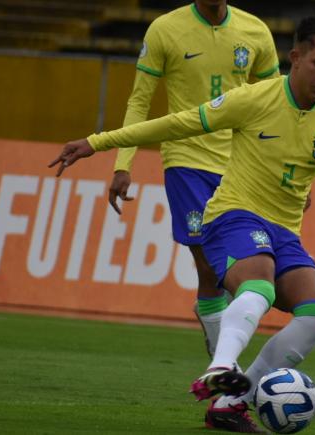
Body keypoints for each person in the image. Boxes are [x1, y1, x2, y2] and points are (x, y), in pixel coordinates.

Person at [50, 12, 315, 433]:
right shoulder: (255, 98)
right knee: (259, 284)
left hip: (284, 230)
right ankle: (220, 365)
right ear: (295, 57)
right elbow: (177, 122)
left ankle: (231, 401)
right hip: (232, 214)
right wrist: (97, 143)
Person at [109, 0, 279, 364]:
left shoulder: (256, 32)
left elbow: (276, 108)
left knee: (240, 270)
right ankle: (225, 366)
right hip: (187, 161)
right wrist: (123, 164)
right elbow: (139, 102)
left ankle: (216, 328)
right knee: (210, 266)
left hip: (241, 163)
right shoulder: (165, 29)